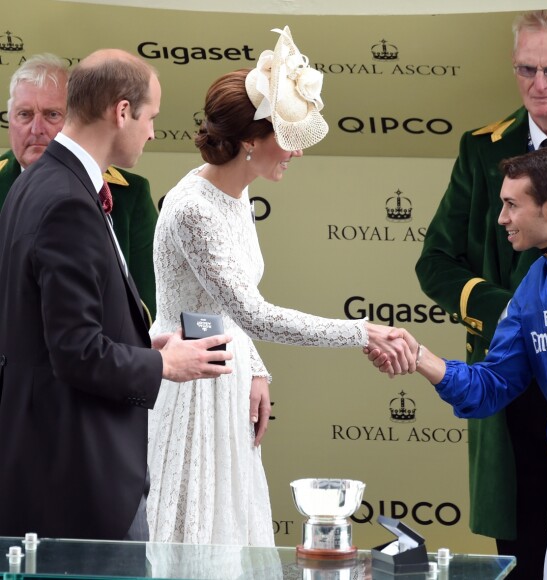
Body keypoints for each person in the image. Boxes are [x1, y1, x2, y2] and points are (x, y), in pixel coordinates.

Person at [146, 26, 414, 546]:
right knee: (192, 544)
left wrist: (257, 369)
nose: (296, 153)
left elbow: (229, 306)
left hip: (225, 376)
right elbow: (254, 314)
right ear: (250, 141)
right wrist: (362, 333)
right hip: (191, 392)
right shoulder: (193, 209)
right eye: (286, 139)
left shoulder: (235, 193)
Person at [0, 48, 233, 541]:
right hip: (77, 479)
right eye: (150, 117)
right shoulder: (66, 200)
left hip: (55, 465)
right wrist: (165, 366)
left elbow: (53, 332)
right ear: (121, 111)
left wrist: (143, 346)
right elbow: (76, 352)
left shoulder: (40, 184)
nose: (151, 132)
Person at [414, 9, 547, 576]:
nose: (540, 85)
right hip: (512, 373)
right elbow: (434, 262)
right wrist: (509, 310)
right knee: (527, 544)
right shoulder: (482, 149)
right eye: (526, 69)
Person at [374, 147, 547, 580]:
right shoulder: (531, 289)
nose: (501, 218)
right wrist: (423, 359)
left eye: (511, 205)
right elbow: (492, 384)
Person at [0, 53, 159, 319]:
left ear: (75, 118)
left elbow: (147, 299)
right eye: (24, 115)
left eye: (52, 114)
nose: (36, 128)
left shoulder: (128, 194)